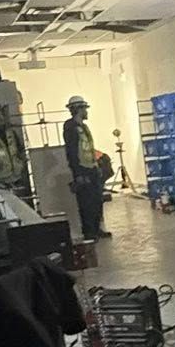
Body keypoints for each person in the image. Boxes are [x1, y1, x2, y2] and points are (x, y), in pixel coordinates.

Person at [63, 96, 113, 240]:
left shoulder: (84, 127)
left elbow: (88, 149)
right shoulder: (70, 127)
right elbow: (72, 151)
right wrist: (77, 173)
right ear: (78, 109)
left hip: (91, 168)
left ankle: (96, 229)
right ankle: (89, 232)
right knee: (86, 202)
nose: (86, 112)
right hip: (82, 170)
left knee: (97, 201)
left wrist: (97, 164)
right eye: (84, 109)